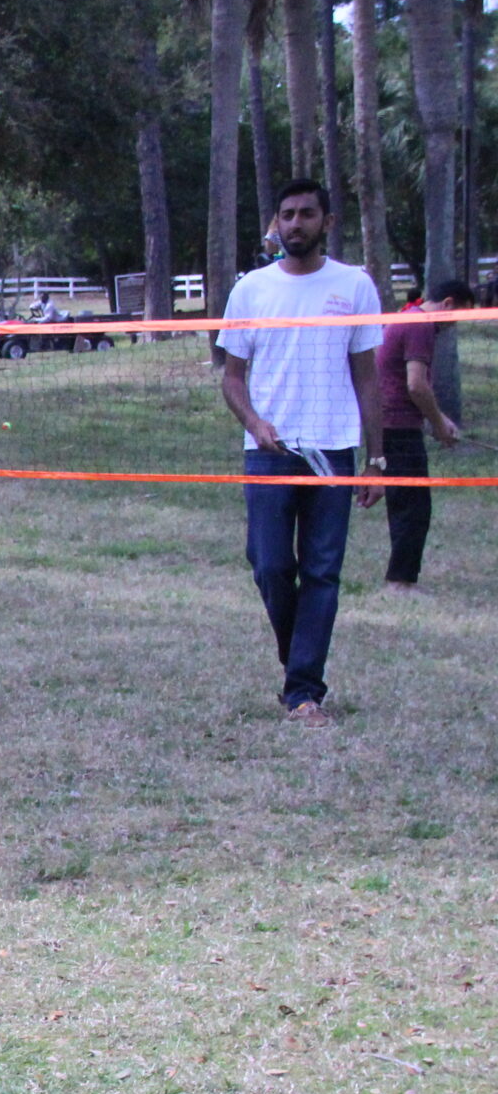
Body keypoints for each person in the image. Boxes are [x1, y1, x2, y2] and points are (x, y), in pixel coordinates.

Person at [216, 179, 386, 726]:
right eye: (287, 214)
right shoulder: (251, 290)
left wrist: (376, 460)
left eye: (306, 214)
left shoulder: (354, 286)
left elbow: (368, 379)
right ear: (277, 222)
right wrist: (255, 422)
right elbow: (232, 378)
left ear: (326, 222)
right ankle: (300, 662)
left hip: (332, 451)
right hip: (269, 452)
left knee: (321, 572)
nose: (295, 223)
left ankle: (303, 690)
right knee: (269, 566)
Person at [376, 278, 472, 593]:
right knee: (414, 507)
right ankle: (399, 582)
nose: (454, 325)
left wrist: (438, 419)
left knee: (407, 502)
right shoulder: (421, 325)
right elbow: (416, 385)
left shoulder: (411, 318)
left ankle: (400, 577)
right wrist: (439, 424)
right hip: (397, 424)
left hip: (391, 422)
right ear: (447, 304)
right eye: (458, 316)